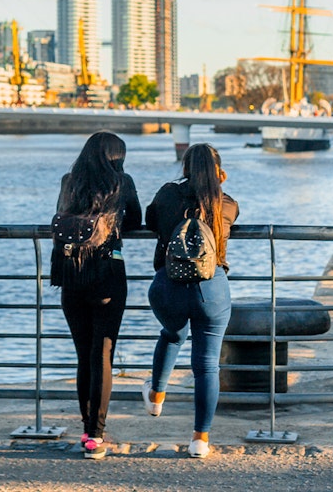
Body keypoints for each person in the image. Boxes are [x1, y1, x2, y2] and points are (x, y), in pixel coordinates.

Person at [141, 143, 237, 459]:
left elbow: (151, 219)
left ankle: (156, 396)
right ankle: (200, 440)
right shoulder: (225, 204)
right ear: (219, 172)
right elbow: (232, 215)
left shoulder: (168, 194)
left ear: (185, 169)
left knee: (171, 334)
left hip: (167, 287)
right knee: (207, 365)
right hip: (212, 289)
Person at [53, 131, 142, 460]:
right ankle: (96, 435)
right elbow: (135, 220)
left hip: (71, 273)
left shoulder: (69, 180)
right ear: (116, 157)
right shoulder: (122, 181)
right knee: (101, 354)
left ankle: (85, 430)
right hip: (108, 274)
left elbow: (62, 216)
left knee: (82, 355)